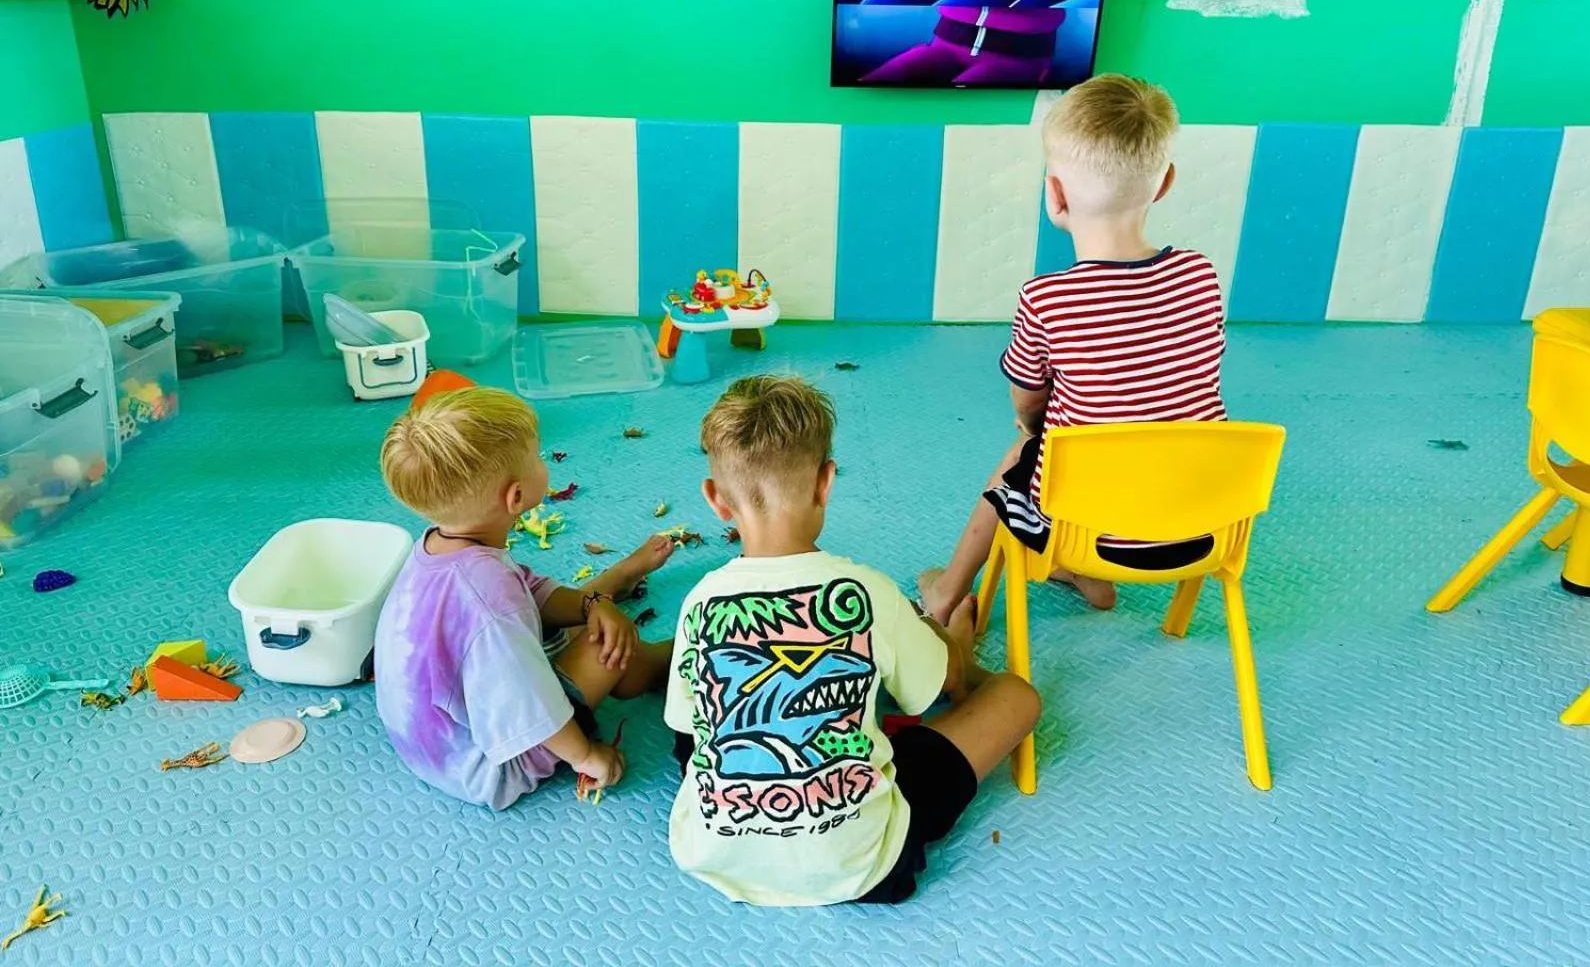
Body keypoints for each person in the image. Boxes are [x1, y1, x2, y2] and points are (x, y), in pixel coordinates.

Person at [665, 375, 1040, 905]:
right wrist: (945, 644)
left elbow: (687, 729)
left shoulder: (700, 601)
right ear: (826, 482)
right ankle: (948, 640)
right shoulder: (867, 591)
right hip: (865, 865)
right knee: (1017, 697)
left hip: (715, 855)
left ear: (716, 500)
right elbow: (942, 688)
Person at [920, 74, 1228, 624]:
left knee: (1022, 454)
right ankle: (1087, 575)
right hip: (1198, 523)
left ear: (1055, 195)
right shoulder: (1200, 275)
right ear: (1165, 183)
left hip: (1084, 521)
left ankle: (947, 591)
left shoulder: (1048, 298)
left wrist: (1032, 425)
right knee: (1105, 440)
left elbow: (1027, 400)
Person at [372, 385, 674, 810]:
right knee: (605, 646)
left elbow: (527, 594)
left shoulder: (441, 545)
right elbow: (529, 704)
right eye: (538, 455)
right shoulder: (488, 600)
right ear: (515, 497)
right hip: (489, 765)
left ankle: (610, 586)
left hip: (439, 736)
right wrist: (588, 756)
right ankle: (667, 660)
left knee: (580, 619)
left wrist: (590, 604)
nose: (543, 460)